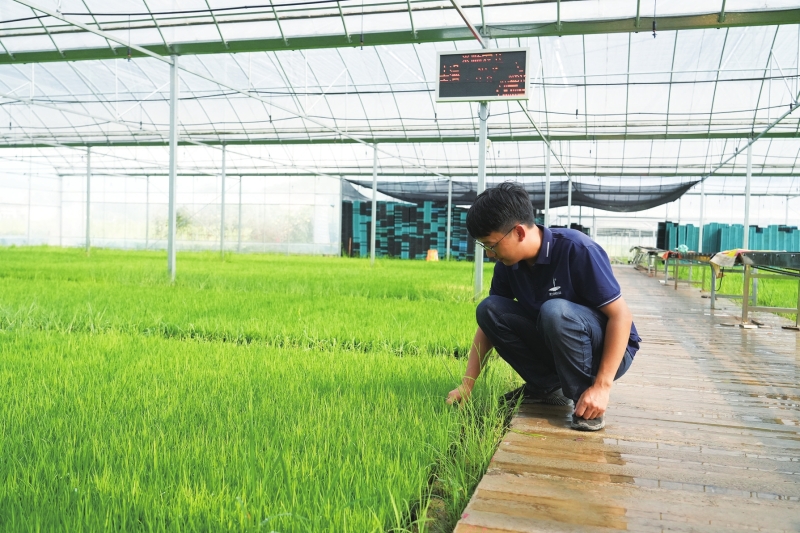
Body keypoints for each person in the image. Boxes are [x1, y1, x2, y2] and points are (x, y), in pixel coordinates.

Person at [446, 182, 641, 431]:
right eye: (484, 247)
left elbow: (621, 316)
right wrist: (467, 383)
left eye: (491, 245)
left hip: (608, 351)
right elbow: (488, 325)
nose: (490, 254)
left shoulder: (577, 249)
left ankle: (587, 402)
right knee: (489, 309)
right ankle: (546, 388)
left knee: (555, 311)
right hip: (559, 344)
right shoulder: (508, 265)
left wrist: (602, 386)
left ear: (518, 232)